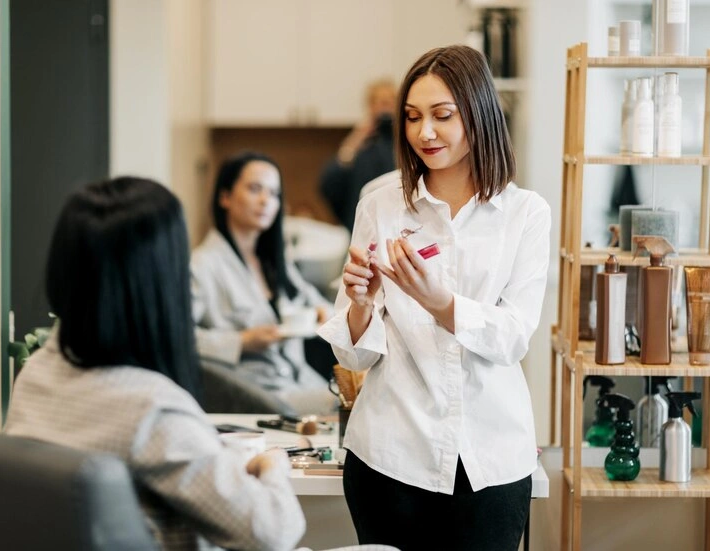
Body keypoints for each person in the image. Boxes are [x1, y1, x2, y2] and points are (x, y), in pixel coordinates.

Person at [318, 45, 551, 551]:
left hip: (491, 463)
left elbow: (513, 338)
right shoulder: (380, 205)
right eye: (412, 117)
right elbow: (354, 356)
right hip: (389, 456)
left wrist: (439, 302)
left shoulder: (525, 215)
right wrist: (359, 304)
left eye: (442, 116)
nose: (425, 132)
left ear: (479, 114)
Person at [4, 177, 305, 550]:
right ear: (160, 282)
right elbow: (275, 532)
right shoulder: (151, 411)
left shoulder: (36, 374)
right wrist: (272, 467)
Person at [191, 151, 337, 415]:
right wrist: (242, 341)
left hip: (298, 380)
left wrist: (321, 314)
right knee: (353, 402)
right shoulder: (203, 265)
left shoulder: (275, 263)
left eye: (274, 193)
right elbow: (180, 337)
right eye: (255, 189)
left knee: (362, 389)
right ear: (225, 197)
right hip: (257, 393)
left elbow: (322, 307)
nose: (265, 201)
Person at [320, 78, 397, 232]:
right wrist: (353, 143)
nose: (385, 109)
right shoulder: (361, 148)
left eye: (390, 101)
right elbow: (328, 184)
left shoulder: (405, 145)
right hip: (361, 229)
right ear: (370, 107)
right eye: (380, 102)